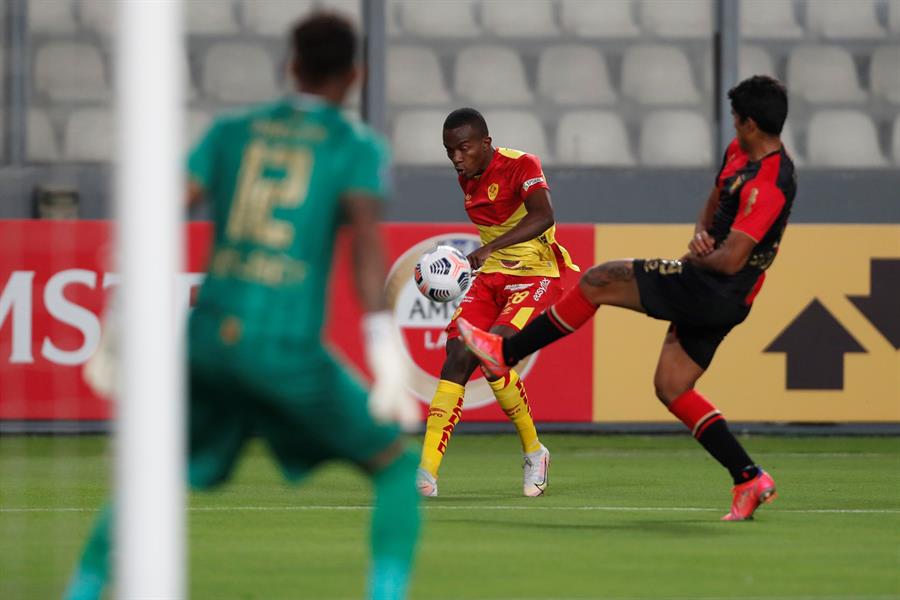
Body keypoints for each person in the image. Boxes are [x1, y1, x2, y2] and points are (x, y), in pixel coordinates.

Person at [65, 13, 420, 600]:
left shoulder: (233, 131)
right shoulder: (355, 146)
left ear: (291, 65)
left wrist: (119, 316)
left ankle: (80, 590)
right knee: (396, 467)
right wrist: (385, 352)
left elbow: (154, 214)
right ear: (355, 75)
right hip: (286, 351)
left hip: (207, 341)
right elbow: (365, 246)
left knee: (153, 478)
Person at [457, 76, 794, 521]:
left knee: (598, 281)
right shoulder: (740, 153)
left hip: (716, 289)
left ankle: (506, 352)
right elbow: (715, 200)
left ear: (750, 124)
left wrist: (699, 257)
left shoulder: (771, 182)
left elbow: (732, 260)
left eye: (736, 120)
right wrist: (701, 234)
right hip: (715, 287)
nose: (733, 127)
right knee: (672, 387)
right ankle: (748, 477)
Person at [417, 108, 579, 498]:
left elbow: (543, 215)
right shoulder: (467, 175)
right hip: (493, 277)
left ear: (486, 143)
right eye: (449, 150)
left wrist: (489, 248)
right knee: (457, 355)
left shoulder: (522, 165)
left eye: (464, 148)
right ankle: (425, 473)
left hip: (537, 273)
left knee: (494, 355)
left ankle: (534, 452)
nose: (456, 158)